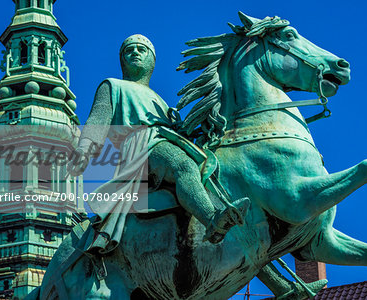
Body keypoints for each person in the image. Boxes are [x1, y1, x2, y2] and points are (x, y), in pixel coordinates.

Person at [69, 34, 249, 253]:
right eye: (129, 50)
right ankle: (212, 221)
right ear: (122, 60)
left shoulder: (160, 100)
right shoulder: (113, 86)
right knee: (182, 165)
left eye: (141, 50)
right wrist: (84, 150)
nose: (134, 53)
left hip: (164, 142)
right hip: (139, 145)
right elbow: (97, 121)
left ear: (152, 60)